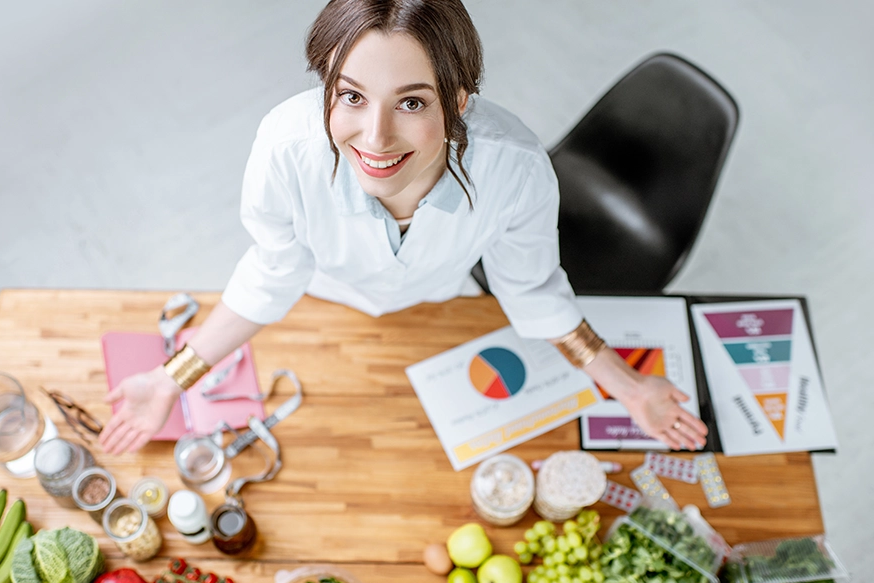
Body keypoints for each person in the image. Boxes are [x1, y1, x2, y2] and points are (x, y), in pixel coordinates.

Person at [98, 0, 707, 455]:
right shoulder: (285, 150)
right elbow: (275, 272)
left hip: (440, 303)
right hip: (328, 298)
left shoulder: (514, 169)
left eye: (412, 102)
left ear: (459, 101)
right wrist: (166, 380)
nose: (375, 138)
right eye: (351, 96)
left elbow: (530, 289)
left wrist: (627, 388)